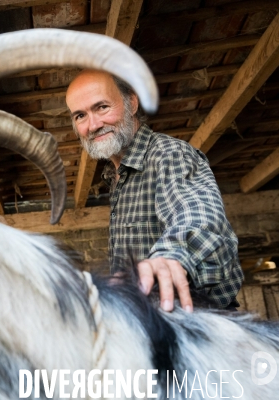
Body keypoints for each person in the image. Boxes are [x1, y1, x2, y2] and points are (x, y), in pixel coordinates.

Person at [65, 69, 243, 311]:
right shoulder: (115, 176)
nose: (93, 125)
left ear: (132, 103)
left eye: (102, 107)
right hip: (148, 324)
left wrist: (169, 260)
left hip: (196, 329)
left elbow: (197, 217)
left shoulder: (169, 154)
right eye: (80, 116)